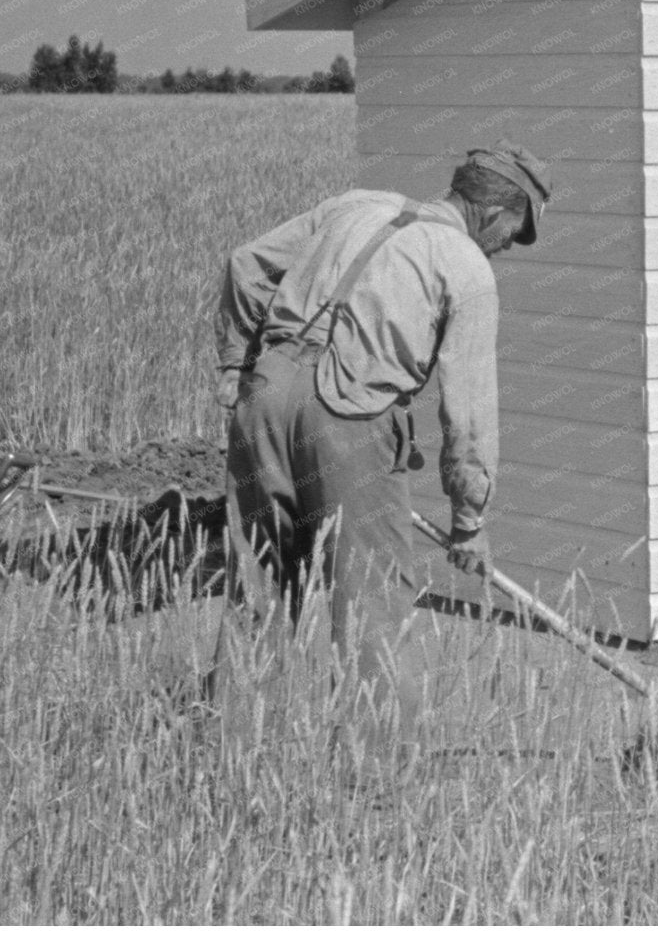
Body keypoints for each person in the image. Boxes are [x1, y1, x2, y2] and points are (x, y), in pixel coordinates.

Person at [215, 142, 550, 735]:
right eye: (512, 235)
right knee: (371, 596)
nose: (505, 250)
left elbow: (246, 263)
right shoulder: (467, 267)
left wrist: (235, 370)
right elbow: (468, 412)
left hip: (263, 401)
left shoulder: (355, 205)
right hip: (351, 421)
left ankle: (235, 744)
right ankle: (376, 773)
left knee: (257, 577)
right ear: (496, 214)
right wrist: (469, 519)